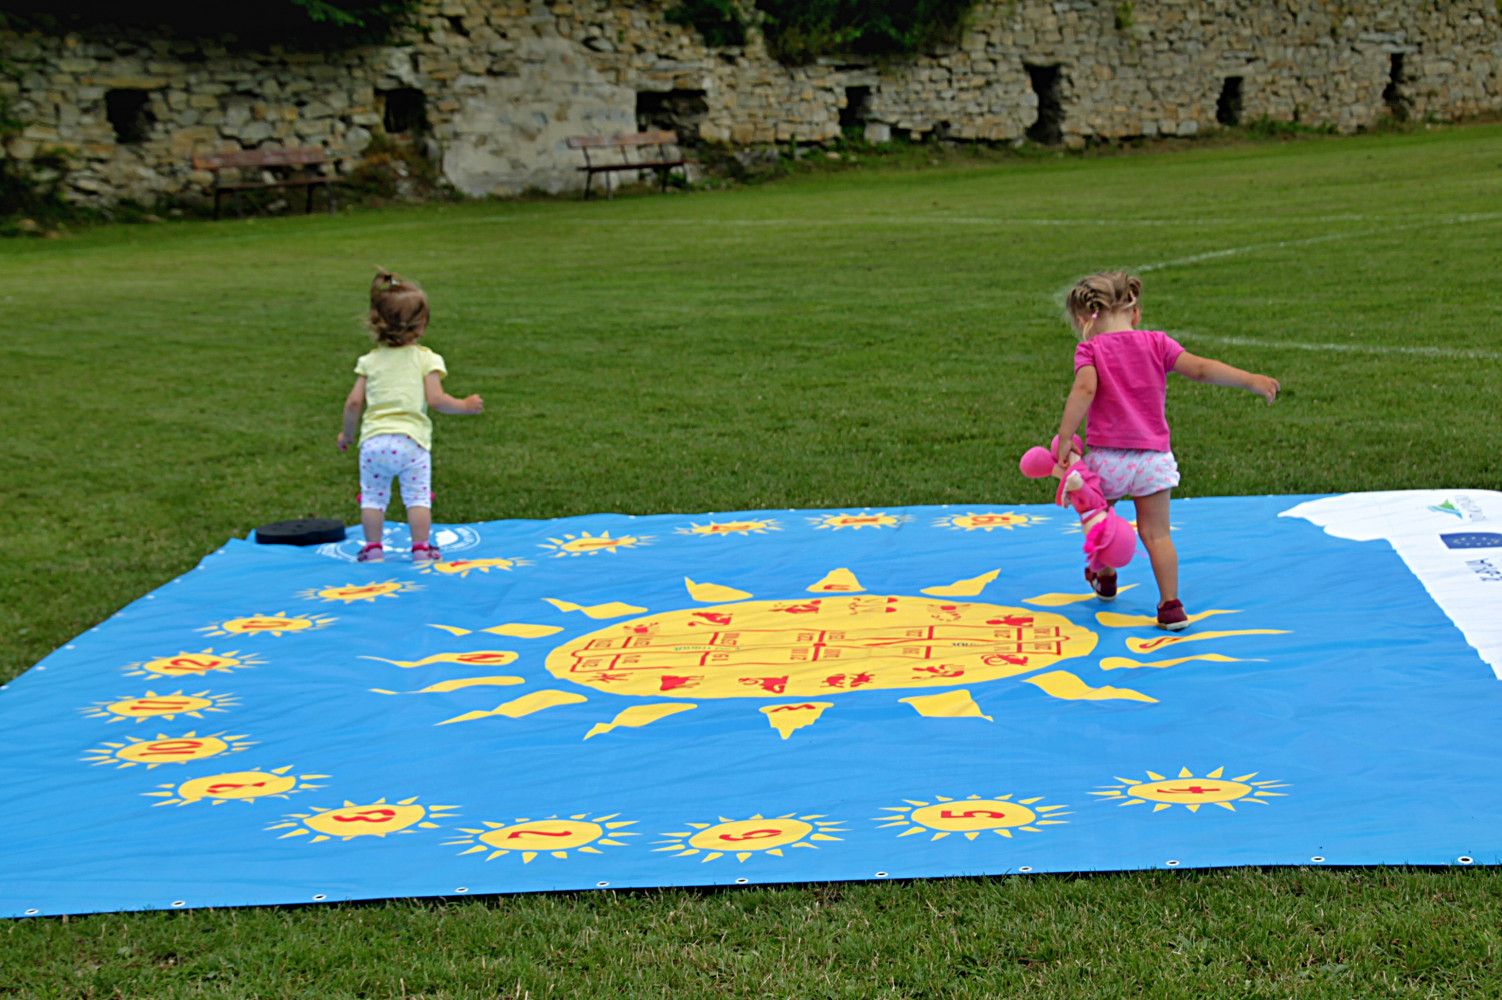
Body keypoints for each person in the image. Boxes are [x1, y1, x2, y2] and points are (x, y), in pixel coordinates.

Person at [1053, 271, 1278, 629]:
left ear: (1084, 321)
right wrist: (1250, 380)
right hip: (1153, 461)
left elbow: (1085, 389)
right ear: (1135, 314)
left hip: (1108, 459)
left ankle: (1105, 576)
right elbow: (1201, 369)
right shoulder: (1157, 343)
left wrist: (1066, 436)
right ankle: (1170, 605)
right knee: (1157, 535)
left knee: (1100, 521)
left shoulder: (1090, 349)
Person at [336, 270, 483, 563]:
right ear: (421, 325)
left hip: (373, 444)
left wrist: (347, 435)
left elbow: (353, 403)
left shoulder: (369, 361)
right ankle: (421, 549)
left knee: (372, 498)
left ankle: (373, 549)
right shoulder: (426, 359)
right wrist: (465, 405)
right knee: (417, 498)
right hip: (411, 443)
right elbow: (437, 400)